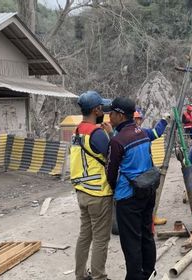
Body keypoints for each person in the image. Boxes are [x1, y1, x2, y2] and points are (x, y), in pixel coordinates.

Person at [106, 97, 156, 280]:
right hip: (148, 190)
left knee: (131, 242)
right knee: (146, 235)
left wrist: (115, 191)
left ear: (119, 115)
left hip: (128, 197)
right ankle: (149, 273)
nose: (109, 116)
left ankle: (135, 277)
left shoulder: (118, 141)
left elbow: (110, 173)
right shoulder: (142, 133)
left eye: (111, 112)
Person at [70, 90, 113, 280]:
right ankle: (99, 277)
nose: (103, 110)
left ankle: (80, 275)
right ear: (96, 110)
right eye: (102, 108)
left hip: (82, 192)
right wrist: (111, 134)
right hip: (98, 194)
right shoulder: (97, 133)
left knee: (84, 236)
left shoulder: (77, 131)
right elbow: (113, 156)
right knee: (101, 239)